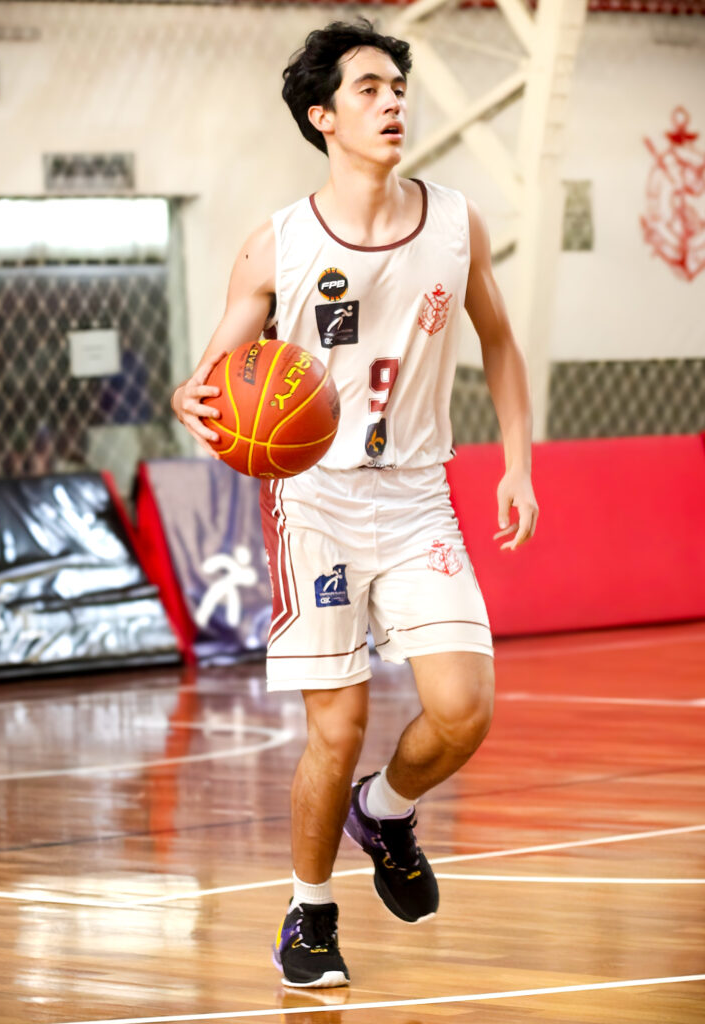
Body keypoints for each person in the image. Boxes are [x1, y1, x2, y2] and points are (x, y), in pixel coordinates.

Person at [171, 18, 539, 989]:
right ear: (321, 116)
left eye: (397, 89)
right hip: (315, 504)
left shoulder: (455, 223)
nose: (392, 104)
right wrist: (188, 398)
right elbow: (211, 380)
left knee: (463, 711)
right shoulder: (277, 243)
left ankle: (384, 810)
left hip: (419, 496)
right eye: (369, 89)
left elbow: (500, 341)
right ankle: (309, 915)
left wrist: (516, 464)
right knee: (333, 730)